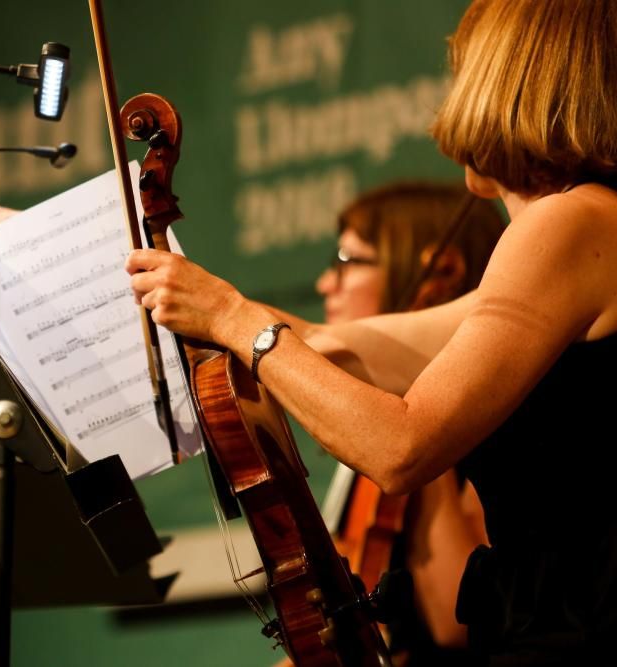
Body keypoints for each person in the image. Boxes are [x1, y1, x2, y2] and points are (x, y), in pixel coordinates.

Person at [124, 0, 616, 664]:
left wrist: (233, 317)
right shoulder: (586, 226)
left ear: (509, 77)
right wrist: (198, 299)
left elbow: (400, 447)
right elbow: (342, 345)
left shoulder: (571, 222)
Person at [317, 182, 502, 666]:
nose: (326, 283)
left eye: (346, 259)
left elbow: (456, 624)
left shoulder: (497, 420)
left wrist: (420, 420)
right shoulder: (364, 410)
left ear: (430, 275)